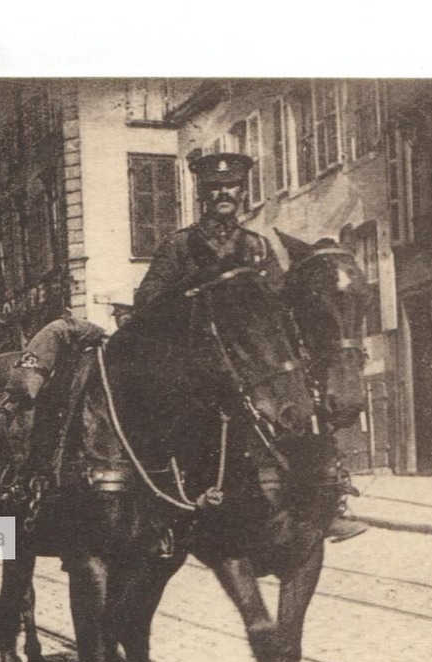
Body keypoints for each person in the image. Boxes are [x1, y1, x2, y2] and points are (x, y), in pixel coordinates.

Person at [135, 152, 366, 542]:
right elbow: (147, 302)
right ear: (202, 193)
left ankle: (330, 496)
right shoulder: (179, 246)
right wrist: (190, 295)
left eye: (231, 187)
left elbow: (279, 304)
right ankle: (160, 507)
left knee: (303, 400)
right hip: (201, 361)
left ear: (242, 192)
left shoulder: (258, 247)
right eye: (214, 188)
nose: (223, 193)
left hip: (252, 363)